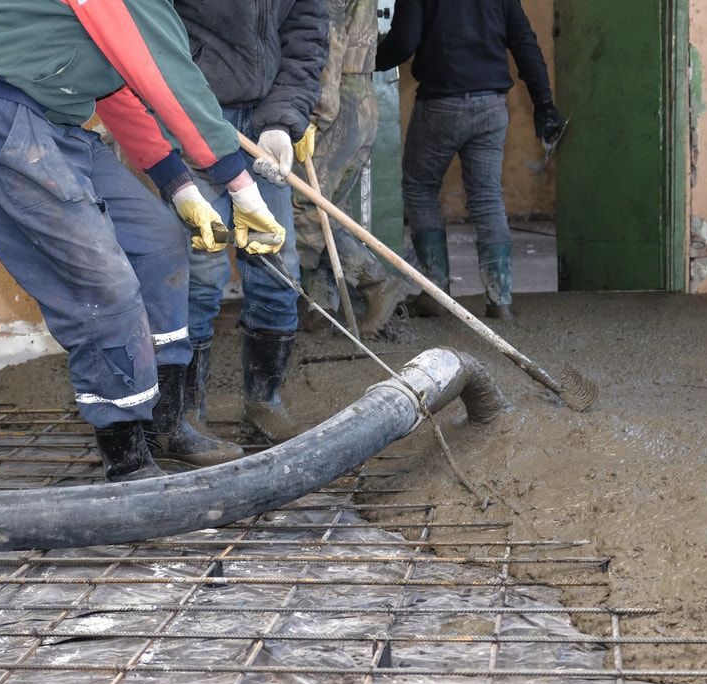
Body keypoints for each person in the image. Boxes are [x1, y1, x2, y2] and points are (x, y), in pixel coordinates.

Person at [0, 0, 287, 481]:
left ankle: (165, 424)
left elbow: (119, 87)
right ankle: (128, 459)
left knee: (160, 243)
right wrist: (239, 185)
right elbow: (167, 78)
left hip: (52, 123)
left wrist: (178, 186)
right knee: (103, 285)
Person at [174, 0, 329, 442]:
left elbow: (306, 41)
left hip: (264, 126)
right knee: (202, 269)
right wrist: (187, 108)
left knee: (277, 268)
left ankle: (264, 401)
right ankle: (185, 415)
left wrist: (283, 120)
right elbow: (155, 36)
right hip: (198, 117)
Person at [376, 0, 566, 320]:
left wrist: (360, 62)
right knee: (487, 198)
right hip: (491, 106)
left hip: (440, 104)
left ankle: (436, 293)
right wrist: (544, 103)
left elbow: (403, 42)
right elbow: (524, 41)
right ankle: (500, 299)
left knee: (420, 188)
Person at [295, 0, 414, 335]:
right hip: (357, 93)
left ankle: (375, 281)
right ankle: (322, 308)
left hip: (337, 100)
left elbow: (329, 43)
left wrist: (317, 116)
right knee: (329, 208)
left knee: (307, 207)